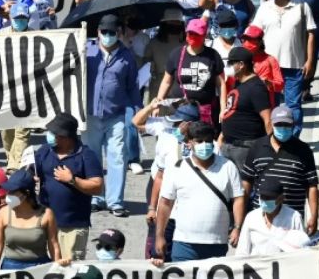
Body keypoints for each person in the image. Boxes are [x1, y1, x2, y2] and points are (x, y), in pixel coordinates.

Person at [153, 121, 244, 264]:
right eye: (199, 141)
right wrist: (159, 236)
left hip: (217, 243)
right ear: (189, 143)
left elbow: (238, 198)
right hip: (184, 244)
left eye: (208, 141)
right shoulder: (177, 168)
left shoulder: (228, 166)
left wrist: (237, 228)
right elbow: (165, 203)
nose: (205, 145)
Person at [83, 15, 140, 217]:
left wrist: (137, 110)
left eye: (112, 33)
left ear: (119, 34)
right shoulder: (87, 51)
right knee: (92, 157)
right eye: (104, 32)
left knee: (117, 157)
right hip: (90, 114)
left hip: (116, 115)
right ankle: (96, 198)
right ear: (98, 32)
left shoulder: (127, 56)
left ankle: (115, 201)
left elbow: (132, 85)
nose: (107, 36)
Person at [132, 101, 200, 260]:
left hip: (185, 191)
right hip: (160, 185)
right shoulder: (165, 130)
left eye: (179, 123)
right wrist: (152, 207)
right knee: (155, 228)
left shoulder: (202, 143)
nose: (175, 126)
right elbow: (136, 122)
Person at [33, 113, 104, 260]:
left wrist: (72, 180)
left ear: (66, 136)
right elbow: (31, 172)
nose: (50, 136)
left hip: (72, 227)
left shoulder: (86, 155)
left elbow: (98, 187)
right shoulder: (45, 150)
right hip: (45, 223)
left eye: (55, 133)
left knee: (69, 270)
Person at [251, 0, 314, 134]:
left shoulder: (301, 7)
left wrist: (310, 61)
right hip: (269, 68)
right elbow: (254, 33)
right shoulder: (264, 8)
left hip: (294, 66)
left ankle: (293, 138)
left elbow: (311, 34)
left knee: (293, 105)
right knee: (270, 105)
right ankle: (273, 137)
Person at [242, 104, 319, 231]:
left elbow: (311, 186)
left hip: (292, 220)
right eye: (279, 124)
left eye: (286, 125)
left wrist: (314, 216)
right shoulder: (257, 147)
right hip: (261, 220)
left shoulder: (303, 150)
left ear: (293, 125)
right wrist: (242, 216)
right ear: (271, 124)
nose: (282, 128)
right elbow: (246, 182)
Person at [156, 18, 226, 127]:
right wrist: (158, 104)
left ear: (204, 36)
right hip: (180, 111)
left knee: (202, 140)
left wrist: (223, 109)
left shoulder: (213, 56)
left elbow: (221, 84)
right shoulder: (176, 54)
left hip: (205, 111)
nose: (193, 36)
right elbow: (166, 82)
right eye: (190, 33)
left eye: (197, 34)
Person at [0, 168, 64, 269]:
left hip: (38, 267)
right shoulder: (3, 213)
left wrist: (58, 270)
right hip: (10, 267)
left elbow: (53, 245)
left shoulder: (46, 214)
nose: (8, 195)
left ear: (26, 193)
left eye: (13, 191)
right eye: (8, 191)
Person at [219, 47, 273, 171]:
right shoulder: (238, 83)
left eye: (231, 63)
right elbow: (233, 111)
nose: (228, 66)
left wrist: (271, 147)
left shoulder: (256, 88)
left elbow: (268, 120)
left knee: (246, 187)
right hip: (228, 145)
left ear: (241, 65)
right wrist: (222, 136)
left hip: (245, 149)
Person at [235, 178, 304, 255]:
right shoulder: (251, 217)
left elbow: (301, 251)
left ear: (281, 199)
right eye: (262, 197)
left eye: (269, 198)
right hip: (256, 265)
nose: (265, 201)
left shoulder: (294, 217)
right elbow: (242, 251)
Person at [240, 25, 284, 100]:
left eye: (251, 39)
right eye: (245, 39)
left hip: (265, 102)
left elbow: (280, 84)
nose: (247, 42)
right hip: (245, 102)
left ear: (260, 41)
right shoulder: (240, 58)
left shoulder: (270, 60)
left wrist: (269, 83)